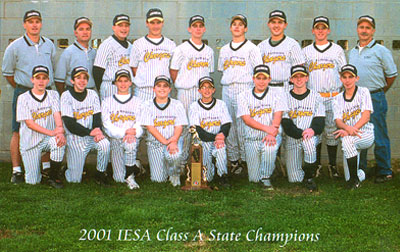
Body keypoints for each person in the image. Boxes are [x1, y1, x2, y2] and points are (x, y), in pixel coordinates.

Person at [2, 10, 56, 184]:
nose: (34, 25)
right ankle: (16, 170)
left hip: (45, 92)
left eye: (37, 21)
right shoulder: (15, 46)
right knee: (18, 130)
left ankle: (46, 167)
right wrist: (23, 87)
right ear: (24, 24)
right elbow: (8, 73)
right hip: (24, 91)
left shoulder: (49, 44)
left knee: (48, 126)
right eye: (30, 21)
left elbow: (52, 67)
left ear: (41, 24)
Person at [348, 15, 398, 183]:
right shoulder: (353, 51)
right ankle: (361, 169)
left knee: (379, 133)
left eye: (368, 28)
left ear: (373, 31)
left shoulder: (381, 50)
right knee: (359, 132)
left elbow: (391, 75)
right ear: (357, 29)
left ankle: (385, 170)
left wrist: (379, 91)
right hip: (357, 98)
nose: (364, 30)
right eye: (361, 27)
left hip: (375, 96)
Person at [218, 14, 262, 175]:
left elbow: (258, 71)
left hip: (245, 88)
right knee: (229, 124)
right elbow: (223, 70)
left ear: (246, 28)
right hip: (228, 88)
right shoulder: (224, 49)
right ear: (230, 28)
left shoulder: (252, 48)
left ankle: (246, 159)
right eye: (234, 24)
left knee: (245, 124)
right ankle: (234, 160)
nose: (237, 27)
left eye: (240, 24)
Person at [303, 16, 347, 178]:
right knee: (316, 130)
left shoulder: (337, 50)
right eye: (317, 27)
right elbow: (302, 75)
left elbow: (344, 73)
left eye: (323, 27)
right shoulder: (306, 51)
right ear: (313, 30)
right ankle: (317, 165)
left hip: (333, 95)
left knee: (332, 130)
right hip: (315, 97)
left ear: (328, 30)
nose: (320, 30)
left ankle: (333, 165)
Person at [170, 15, 214, 169]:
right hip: (186, 91)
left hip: (203, 93)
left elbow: (210, 73)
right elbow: (173, 71)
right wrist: (181, 85)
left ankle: (197, 165)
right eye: (194, 26)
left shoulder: (209, 51)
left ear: (204, 29)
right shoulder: (181, 49)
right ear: (189, 29)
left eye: (200, 26)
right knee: (183, 128)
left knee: (201, 127)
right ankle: (181, 164)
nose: (198, 28)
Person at [237, 65, 287, 190]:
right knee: (254, 179)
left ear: (269, 79)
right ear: (253, 79)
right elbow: (246, 119)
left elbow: (278, 114)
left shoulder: (277, 93)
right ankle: (272, 165)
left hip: (270, 136)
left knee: (269, 148)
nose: (261, 81)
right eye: (258, 78)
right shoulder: (243, 95)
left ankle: (266, 178)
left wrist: (272, 132)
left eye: (264, 78)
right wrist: (267, 129)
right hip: (252, 138)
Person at [16, 65, 65, 188]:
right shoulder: (23, 98)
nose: (41, 81)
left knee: (58, 142)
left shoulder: (53, 94)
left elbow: (57, 114)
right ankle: (37, 173)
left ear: (48, 80)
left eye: (44, 78)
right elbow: (29, 123)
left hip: (46, 140)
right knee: (32, 181)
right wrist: (52, 133)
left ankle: (53, 177)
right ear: (32, 80)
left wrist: (59, 130)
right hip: (30, 142)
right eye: (38, 78)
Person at [60, 66, 110, 185]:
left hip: (92, 136)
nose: (82, 81)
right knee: (74, 180)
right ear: (72, 81)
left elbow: (97, 116)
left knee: (105, 144)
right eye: (78, 78)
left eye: (84, 78)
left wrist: (97, 130)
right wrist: (90, 132)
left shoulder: (92, 94)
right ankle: (68, 168)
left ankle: (100, 174)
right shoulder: (66, 95)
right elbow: (69, 123)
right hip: (75, 138)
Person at [282, 65, 325, 192]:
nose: (299, 79)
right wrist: (301, 133)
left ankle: (309, 178)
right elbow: (286, 123)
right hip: (293, 138)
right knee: (294, 179)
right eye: (296, 77)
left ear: (307, 78)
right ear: (291, 79)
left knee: (309, 144)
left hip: (310, 135)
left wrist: (311, 131)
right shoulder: (284, 97)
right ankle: (306, 171)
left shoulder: (316, 96)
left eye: (302, 76)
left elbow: (320, 120)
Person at [141, 76, 188, 187]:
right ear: (153, 89)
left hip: (173, 141)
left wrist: (173, 141)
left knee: (173, 156)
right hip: (155, 143)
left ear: (170, 89)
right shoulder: (147, 105)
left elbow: (179, 126)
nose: (162, 89)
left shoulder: (177, 104)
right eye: (159, 86)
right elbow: (150, 127)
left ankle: (174, 174)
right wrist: (165, 142)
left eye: (165, 86)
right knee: (158, 180)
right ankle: (167, 167)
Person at [333, 64, 374, 189]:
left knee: (347, 140)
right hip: (349, 134)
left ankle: (354, 180)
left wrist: (350, 130)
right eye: (344, 77)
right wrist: (349, 129)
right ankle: (360, 174)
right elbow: (338, 121)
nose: (347, 80)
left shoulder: (364, 92)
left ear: (357, 78)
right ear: (340, 79)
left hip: (365, 134)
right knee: (348, 175)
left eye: (351, 77)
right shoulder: (337, 98)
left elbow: (366, 116)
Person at [102, 69, 144, 189]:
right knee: (119, 178)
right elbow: (107, 126)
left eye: (126, 80)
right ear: (115, 83)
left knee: (130, 144)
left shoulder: (138, 101)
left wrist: (133, 132)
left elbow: (140, 123)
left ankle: (130, 177)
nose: (123, 84)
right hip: (115, 139)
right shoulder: (107, 101)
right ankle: (136, 166)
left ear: (131, 83)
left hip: (131, 138)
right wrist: (125, 132)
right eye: (120, 81)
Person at [188, 76, 231, 186]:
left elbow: (226, 124)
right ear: (199, 90)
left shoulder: (221, 104)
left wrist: (221, 136)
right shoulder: (194, 106)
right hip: (204, 142)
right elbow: (197, 130)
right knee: (208, 178)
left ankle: (223, 176)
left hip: (218, 140)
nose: (206, 90)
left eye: (209, 87)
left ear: (213, 90)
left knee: (221, 148)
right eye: (203, 87)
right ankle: (212, 168)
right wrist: (216, 137)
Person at [129, 8, 176, 102]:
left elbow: (173, 69)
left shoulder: (170, 44)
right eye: (152, 22)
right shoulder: (138, 44)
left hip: (164, 91)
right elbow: (134, 68)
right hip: (143, 91)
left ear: (163, 23)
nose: (155, 26)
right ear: (147, 23)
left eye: (158, 22)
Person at [258, 10, 304, 93]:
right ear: (268, 24)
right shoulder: (261, 46)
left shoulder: (292, 44)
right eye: (273, 22)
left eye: (280, 22)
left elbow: (299, 71)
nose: (276, 25)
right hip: (266, 88)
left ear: (285, 25)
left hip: (287, 88)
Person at [93, 14, 132, 100]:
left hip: (126, 88)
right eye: (120, 25)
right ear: (113, 27)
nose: (124, 29)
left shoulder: (130, 46)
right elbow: (97, 71)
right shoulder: (107, 45)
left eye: (126, 26)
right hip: (111, 87)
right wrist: (103, 88)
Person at [55, 17, 96, 94]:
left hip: (90, 93)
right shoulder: (68, 52)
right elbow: (59, 80)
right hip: (73, 92)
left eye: (87, 29)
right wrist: (64, 95)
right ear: (75, 33)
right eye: (81, 29)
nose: (85, 32)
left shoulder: (93, 52)